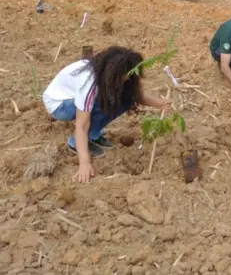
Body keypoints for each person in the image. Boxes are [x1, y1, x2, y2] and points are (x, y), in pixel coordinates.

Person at [42, 46, 171, 183]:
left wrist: (160, 104)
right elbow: (82, 125)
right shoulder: (89, 83)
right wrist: (84, 163)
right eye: (127, 75)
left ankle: (94, 135)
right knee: (104, 102)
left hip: (74, 98)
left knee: (124, 98)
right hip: (59, 104)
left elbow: (135, 96)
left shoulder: (108, 74)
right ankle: (75, 143)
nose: (128, 78)